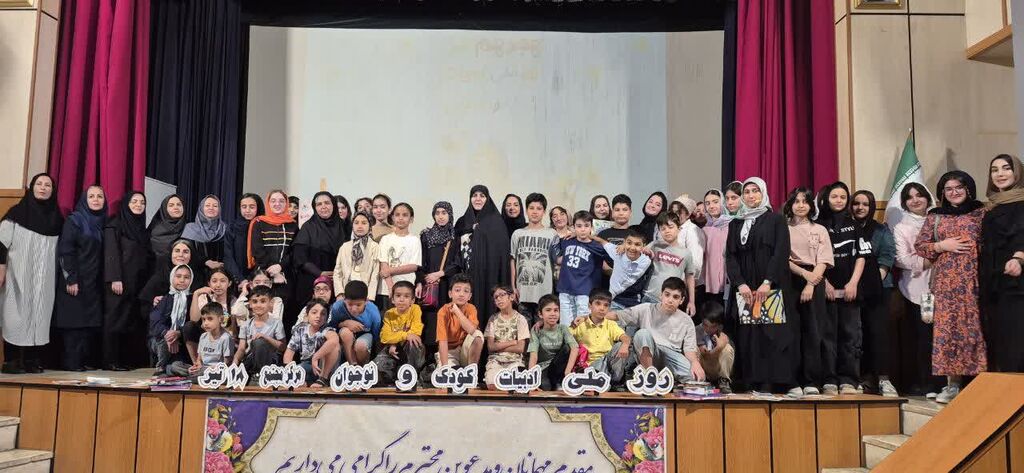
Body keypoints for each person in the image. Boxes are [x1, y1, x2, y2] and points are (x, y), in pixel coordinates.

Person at [915, 170, 988, 404]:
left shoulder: (981, 213)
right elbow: (921, 246)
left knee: (975, 331)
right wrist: (941, 246)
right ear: (942, 193)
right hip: (946, 284)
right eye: (948, 189)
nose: (954, 192)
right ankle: (953, 385)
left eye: (959, 187)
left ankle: (980, 384)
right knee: (949, 333)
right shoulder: (935, 216)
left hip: (976, 281)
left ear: (968, 189)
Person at [726, 178, 799, 395]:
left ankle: (771, 382)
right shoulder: (735, 223)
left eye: (755, 191)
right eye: (747, 192)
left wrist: (768, 282)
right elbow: (731, 256)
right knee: (749, 334)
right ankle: (752, 382)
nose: (750, 195)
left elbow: (780, 252)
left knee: (770, 333)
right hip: (746, 289)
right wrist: (740, 283)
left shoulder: (776, 220)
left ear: (763, 193)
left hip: (770, 286)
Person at [0, 173, 64, 374]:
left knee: (39, 316)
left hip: (44, 278)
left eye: (48, 185)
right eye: (39, 184)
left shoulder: (57, 218)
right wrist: (1, 269)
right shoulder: (16, 213)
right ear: (32, 187)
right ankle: (11, 361)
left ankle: (31, 360)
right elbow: (1, 243)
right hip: (18, 275)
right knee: (15, 315)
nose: (43, 188)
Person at [585, 277, 704, 384]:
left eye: (675, 297)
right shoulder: (646, 309)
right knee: (642, 334)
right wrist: (587, 317)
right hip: (649, 351)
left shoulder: (686, 320)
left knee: (695, 377)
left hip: (672, 355)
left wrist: (695, 363)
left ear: (682, 300)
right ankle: (650, 378)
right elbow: (618, 315)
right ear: (661, 295)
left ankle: (667, 379)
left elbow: (689, 349)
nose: (670, 300)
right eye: (667, 295)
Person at [891, 182, 943, 396]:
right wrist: (928, 262)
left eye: (919, 195)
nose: (915, 200)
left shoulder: (940, 220)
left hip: (945, 286)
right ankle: (927, 383)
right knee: (923, 338)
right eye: (910, 197)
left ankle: (947, 383)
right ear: (904, 203)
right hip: (916, 289)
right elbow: (901, 259)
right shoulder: (901, 227)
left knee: (943, 336)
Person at [816, 181, 865, 396]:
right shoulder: (818, 225)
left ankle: (849, 379)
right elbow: (814, 258)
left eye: (843, 197)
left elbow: (861, 256)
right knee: (827, 337)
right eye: (834, 196)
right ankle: (829, 378)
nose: (839, 200)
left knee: (850, 336)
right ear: (826, 199)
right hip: (824, 290)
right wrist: (824, 282)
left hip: (849, 292)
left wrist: (853, 283)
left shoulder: (854, 225)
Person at [785, 187, 835, 395]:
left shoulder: (820, 229)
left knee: (814, 331)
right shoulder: (784, 228)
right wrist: (804, 275)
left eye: (805, 201)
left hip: (815, 280)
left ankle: (811, 380)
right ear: (790, 204)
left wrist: (811, 283)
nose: (800, 205)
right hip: (791, 279)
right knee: (792, 331)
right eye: (796, 201)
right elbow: (783, 258)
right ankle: (792, 380)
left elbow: (824, 259)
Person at [54, 185, 107, 371]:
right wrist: (71, 278)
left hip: (93, 282)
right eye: (91, 196)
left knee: (88, 325)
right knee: (74, 324)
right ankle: (71, 363)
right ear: (84, 200)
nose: (96, 200)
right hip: (75, 280)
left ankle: (82, 361)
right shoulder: (74, 220)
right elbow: (66, 250)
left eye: (99, 196)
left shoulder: (104, 222)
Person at [851, 190, 898, 397]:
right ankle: (863, 378)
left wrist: (872, 283)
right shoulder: (847, 228)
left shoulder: (881, 230)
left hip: (878, 289)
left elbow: (887, 257)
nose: (860, 207)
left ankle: (884, 379)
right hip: (852, 290)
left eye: (865, 204)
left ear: (871, 207)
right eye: (856, 203)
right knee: (857, 335)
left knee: (878, 334)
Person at [980, 155, 1024, 373]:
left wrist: (1019, 258)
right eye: (994, 169)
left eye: (1006, 168)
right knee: (1000, 338)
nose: (1000, 174)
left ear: (1017, 172)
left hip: (1017, 280)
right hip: (993, 279)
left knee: (1016, 339)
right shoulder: (991, 206)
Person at [102, 191, 151, 371]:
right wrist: (115, 278)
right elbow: (111, 253)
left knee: (128, 321)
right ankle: (110, 360)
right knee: (114, 320)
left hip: (135, 283)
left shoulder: (140, 228)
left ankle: (123, 359)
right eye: (134, 201)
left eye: (142, 202)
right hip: (118, 282)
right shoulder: (115, 224)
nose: (138, 205)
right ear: (126, 204)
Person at [452, 185, 512, 324]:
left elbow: (502, 254)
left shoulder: (497, 222)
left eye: (482, 196)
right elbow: (455, 251)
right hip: (466, 277)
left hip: (489, 277)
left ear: (487, 199)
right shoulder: (462, 222)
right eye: (474, 195)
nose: (478, 199)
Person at [292, 192, 346, 324]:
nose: (323, 207)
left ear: (333, 205)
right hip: (312, 280)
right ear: (314, 207)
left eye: (327, 203)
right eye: (319, 204)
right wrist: (320, 274)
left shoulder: (345, 226)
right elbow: (299, 257)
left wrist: (338, 274)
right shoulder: (308, 227)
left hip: (338, 281)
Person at [417, 201, 458, 359]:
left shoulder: (455, 236)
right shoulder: (426, 235)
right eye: (437, 213)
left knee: (446, 319)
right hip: (430, 285)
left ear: (450, 215)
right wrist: (421, 280)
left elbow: (458, 262)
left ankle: (444, 358)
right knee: (430, 321)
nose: (440, 216)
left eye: (444, 213)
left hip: (446, 284)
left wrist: (440, 273)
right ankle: (428, 360)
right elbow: (421, 261)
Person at [554, 211, 611, 324]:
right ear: (573, 227)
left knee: (583, 325)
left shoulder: (597, 247)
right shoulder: (567, 241)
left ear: (591, 227)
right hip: (565, 290)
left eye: (586, 226)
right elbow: (557, 258)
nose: (583, 229)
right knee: (566, 326)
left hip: (585, 292)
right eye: (579, 226)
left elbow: (610, 259)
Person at [510, 193, 558, 322]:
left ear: (544, 212)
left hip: (544, 293)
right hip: (522, 292)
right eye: (531, 208)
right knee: (524, 330)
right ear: (526, 210)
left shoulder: (552, 234)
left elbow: (558, 261)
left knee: (542, 330)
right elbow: (513, 261)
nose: (535, 212)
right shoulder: (518, 234)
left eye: (539, 208)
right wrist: (513, 287)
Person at [247, 190, 299, 307]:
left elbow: (294, 251)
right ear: (268, 203)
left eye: (281, 201)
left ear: (286, 203)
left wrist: (280, 267)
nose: (277, 204)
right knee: (261, 307)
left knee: (284, 310)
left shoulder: (293, 225)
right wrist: (274, 273)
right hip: (263, 275)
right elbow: (258, 251)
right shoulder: (259, 223)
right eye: (273, 201)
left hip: (286, 276)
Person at [570, 289, 631, 385]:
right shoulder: (580, 324)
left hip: (607, 362)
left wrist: (625, 344)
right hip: (588, 365)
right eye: (598, 304)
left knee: (621, 345)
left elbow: (625, 337)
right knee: (597, 366)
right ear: (590, 305)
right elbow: (565, 336)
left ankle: (614, 381)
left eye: (606, 305)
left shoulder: (611, 324)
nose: (602, 308)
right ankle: (605, 382)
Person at [643, 212, 698, 316]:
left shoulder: (686, 253)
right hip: (649, 296)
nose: (667, 231)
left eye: (670, 227)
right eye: (663, 229)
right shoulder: (654, 245)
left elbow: (690, 278)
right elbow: (640, 254)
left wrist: (692, 302)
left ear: (679, 228)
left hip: (670, 301)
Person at [372, 281, 425, 385]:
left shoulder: (415, 309)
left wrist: (395, 341)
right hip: (393, 349)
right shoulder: (389, 314)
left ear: (412, 300)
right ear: (392, 299)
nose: (401, 299)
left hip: (409, 347)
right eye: (398, 296)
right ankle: (392, 376)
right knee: (377, 367)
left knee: (414, 342)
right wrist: (395, 342)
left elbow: (415, 332)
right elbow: (384, 336)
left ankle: (412, 375)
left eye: (406, 296)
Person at [148, 265, 198, 375]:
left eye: (186, 277)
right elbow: (155, 323)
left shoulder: (193, 300)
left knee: (176, 366)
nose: (182, 280)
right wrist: (168, 334)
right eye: (178, 276)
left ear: (191, 280)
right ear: (172, 277)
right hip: (163, 341)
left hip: (182, 343)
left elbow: (194, 324)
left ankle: (171, 369)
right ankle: (161, 367)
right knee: (164, 341)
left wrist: (178, 333)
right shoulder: (164, 299)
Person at [232, 285, 287, 377]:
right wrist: (234, 363)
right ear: (250, 304)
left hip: (271, 362)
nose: (258, 305)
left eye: (263, 301)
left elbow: (282, 347)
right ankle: (253, 374)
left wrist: (265, 337)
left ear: (271, 303)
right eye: (254, 302)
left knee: (259, 342)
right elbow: (241, 349)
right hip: (251, 360)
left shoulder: (276, 323)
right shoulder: (246, 324)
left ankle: (260, 375)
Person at [483, 284, 531, 390]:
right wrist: (512, 342)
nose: (499, 299)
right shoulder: (493, 319)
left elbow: (520, 348)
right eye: (496, 297)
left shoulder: (520, 319)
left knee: (516, 384)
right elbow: (490, 347)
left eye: (502, 295)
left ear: (511, 297)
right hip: (496, 361)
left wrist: (498, 346)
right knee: (492, 384)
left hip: (515, 361)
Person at [528, 294, 579, 390]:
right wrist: (531, 380)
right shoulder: (536, 330)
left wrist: (567, 373)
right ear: (540, 314)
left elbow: (575, 348)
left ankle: (560, 382)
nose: (553, 313)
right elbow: (533, 356)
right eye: (548, 310)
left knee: (567, 348)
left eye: (556, 310)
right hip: (543, 369)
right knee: (546, 388)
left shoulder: (563, 328)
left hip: (559, 369)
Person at [377, 203, 421, 312]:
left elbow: (413, 266)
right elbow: (383, 264)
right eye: (397, 215)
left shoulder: (414, 240)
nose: (400, 218)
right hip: (386, 290)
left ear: (411, 219)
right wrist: (391, 287)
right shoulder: (385, 239)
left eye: (405, 215)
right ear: (392, 217)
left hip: (406, 291)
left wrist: (390, 270)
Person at [435, 274, 485, 368]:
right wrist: (445, 368)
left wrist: (457, 311)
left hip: (465, 351)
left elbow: (472, 330)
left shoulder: (471, 308)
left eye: (466, 291)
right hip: (449, 352)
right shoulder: (443, 311)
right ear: (450, 294)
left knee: (478, 335)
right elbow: (442, 341)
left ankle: (471, 370)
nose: (461, 294)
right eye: (457, 290)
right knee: (448, 374)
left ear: (470, 296)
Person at [327, 280, 382, 365]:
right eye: (350, 304)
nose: (354, 309)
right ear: (344, 299)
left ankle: (362, 367)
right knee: (345, 332)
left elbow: (376, 335)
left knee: (361, 345)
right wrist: (344, 323)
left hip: (365, 337)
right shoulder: (337, 307)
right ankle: (352, 364)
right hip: (344, 338)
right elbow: (331, 327)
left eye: (358, 305)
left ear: (366, 301)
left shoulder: (373, 311)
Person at [284, 299, 335, 387]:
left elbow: (334, 341)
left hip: (323, 365)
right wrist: (289, 373)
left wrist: (315, 357)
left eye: (323, 314)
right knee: (299, 370)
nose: (318, 316)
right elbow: (289, 353)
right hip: (307, 365)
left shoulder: (327, 330)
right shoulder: (300, 330)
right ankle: (306, 383)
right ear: (307, 315)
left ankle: (322, 380)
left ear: (327, 318)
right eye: (314, 312)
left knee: (333, 347)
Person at [181, 195, 228, 285]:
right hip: (194, 276)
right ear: (201, 208)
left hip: (220, 277)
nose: (211, 208)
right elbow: (185, 253)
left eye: (215, 206)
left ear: (219, 209)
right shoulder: (190, 228)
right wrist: (206, 262)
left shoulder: (225, 229)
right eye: (207, 205)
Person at [334, 212, 380, 298]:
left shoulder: (375, 247)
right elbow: (337, 272)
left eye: (364, 223)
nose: (360, 226)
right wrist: (339, 293)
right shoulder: (345, 246)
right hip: (346, 290)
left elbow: (375, 273)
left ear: (370, 226)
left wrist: (369, 297)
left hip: (365, 291)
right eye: (356, 223)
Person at [603, 229, 652, 310]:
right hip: (613, 298)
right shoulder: (619, 252)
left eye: (637, 244)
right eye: (629, 243)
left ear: (644, 245)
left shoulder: (646, 260)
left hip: (633, 301)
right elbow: (602, 243)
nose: (632, 247)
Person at [188, 267, 236, 345]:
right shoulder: (204, 298)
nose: (218, 285)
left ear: (229, 283)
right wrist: (196, 294)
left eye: (222, 281)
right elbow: (194, 320)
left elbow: (233, 329)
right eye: (214, 281)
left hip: (225, 338)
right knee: (189, 327)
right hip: (205, 336)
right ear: (209, 283)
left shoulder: (233, 301)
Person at [186, 303, 234, 378]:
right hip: (202, 369)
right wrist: (196, 366)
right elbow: (199, 360)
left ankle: (194, 376)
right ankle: (193, 374)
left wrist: (207, 369)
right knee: (174, 366)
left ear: (221, 319)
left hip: (216, 371)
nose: (205, 323)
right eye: (203, 319)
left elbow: (226, 364)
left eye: (210, 319)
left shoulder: (226, 338)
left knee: (202, 373)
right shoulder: (203, 336)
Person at [702, 189, 733, 305]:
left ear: (723, 202)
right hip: (711, 281)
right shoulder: (704, 229)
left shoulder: (732, 225)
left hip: (730, 277)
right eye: (707, 203)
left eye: (715, 202)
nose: (711, 206)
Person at [225, 193, 264, 285]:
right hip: (237, 279)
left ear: (258, 208)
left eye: (252, 207)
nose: (247, 210)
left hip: (259, 278)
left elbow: (265, 256)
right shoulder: (232, 227)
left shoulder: (265, 227)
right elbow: (228, 256)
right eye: (244, 207)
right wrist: (240, 279)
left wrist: (253, 278)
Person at [695, 301, 734, 393]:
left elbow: (728, 354)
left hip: (718, 367)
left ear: (719, 325)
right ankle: (698, 381)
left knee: (728, 348)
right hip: (704, 366)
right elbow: (705, 354)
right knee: (694, 349)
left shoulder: (722, 332)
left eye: (713, 326)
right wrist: (719, 347)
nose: (708, 329)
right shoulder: (698, 330)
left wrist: (722, 346)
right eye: (705, 325)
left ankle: (724, 381)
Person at [148, 194, 186, 262]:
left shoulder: (190, 229)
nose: (176, 207)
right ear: (164, 209)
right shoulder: (154, 230)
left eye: (179, 205)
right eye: (171, 205)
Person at [549, 206, 571, 289]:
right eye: (555, 216)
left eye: (562, 214)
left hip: (573, 279)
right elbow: (557, 260)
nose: (559, 218)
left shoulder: (575, 234)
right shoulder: (550, 236)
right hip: (555, 280)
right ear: (552, 220)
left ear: (567, 216)